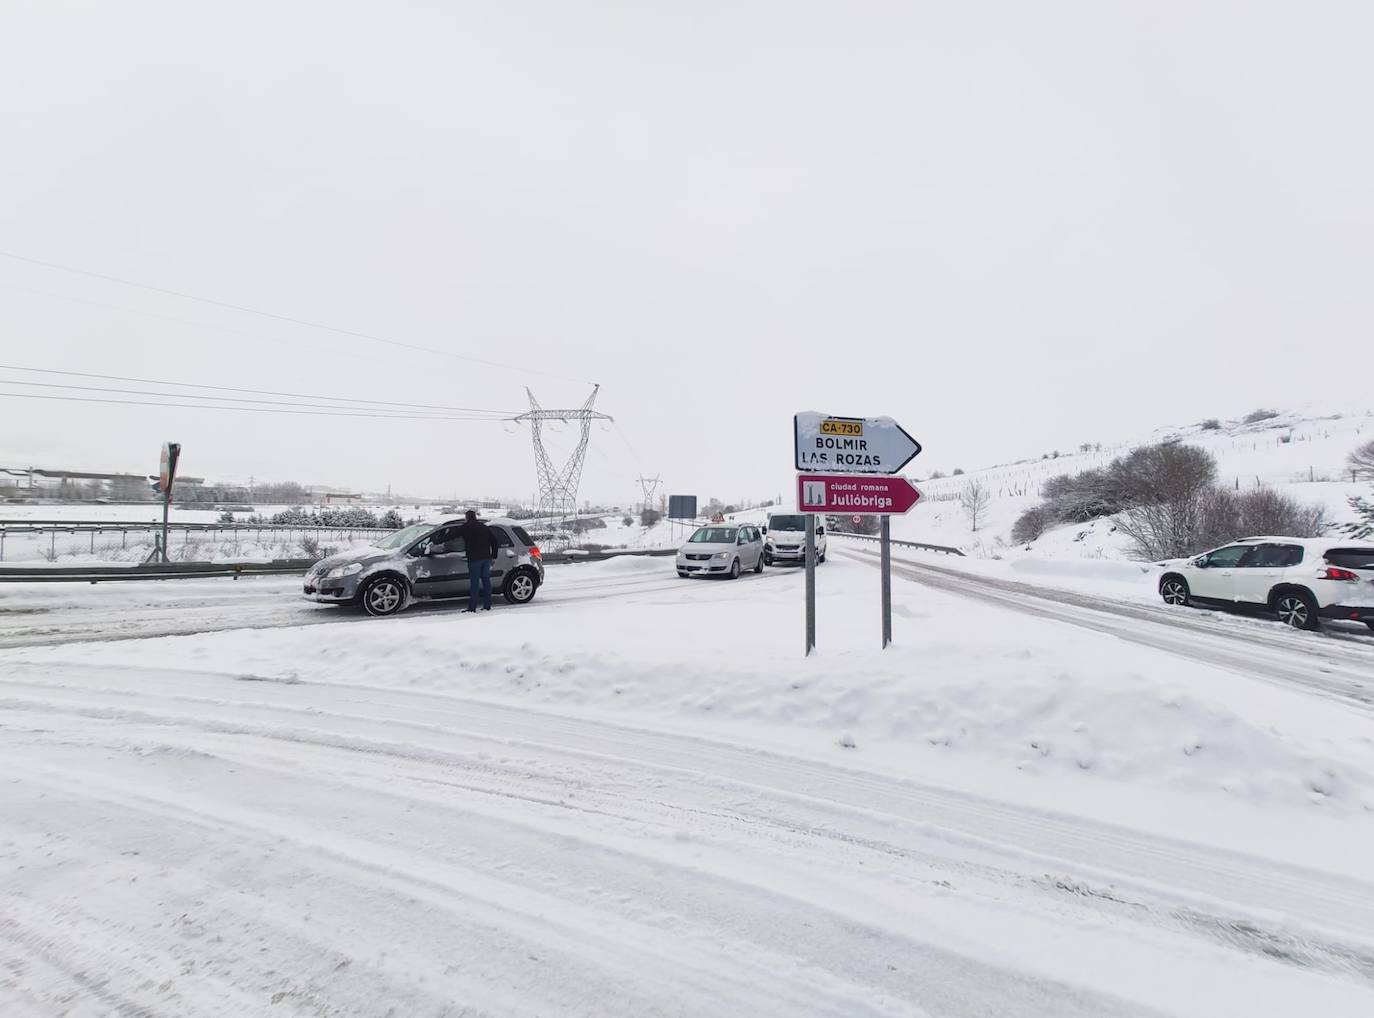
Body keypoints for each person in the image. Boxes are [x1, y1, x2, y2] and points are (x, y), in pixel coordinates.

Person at [457, 510, 497, 612]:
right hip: (486, 558)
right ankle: (487, 605)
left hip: (474, 559)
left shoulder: (465, 527)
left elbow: (452, 535)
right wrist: (494, 555)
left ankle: (472, 608)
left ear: (467, 517)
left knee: (474, 583)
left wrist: (437, 541)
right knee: (486, 581)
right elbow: (494, 541)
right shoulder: (484, 527)